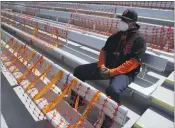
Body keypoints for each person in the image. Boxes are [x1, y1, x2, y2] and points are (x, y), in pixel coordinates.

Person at [70, 9, 146, 127]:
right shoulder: (115, 36)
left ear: (133, 23)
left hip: (125, 73)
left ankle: (109, 119)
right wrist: (101, 66)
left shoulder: (138, 40)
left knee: (113, 90)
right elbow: (103, 51)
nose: (122, 22)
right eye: (122, 19)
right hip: (108, 67)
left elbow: (133, 62)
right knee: (78, 71)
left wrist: (112, 72)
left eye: (126, 20)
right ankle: (77, 100)